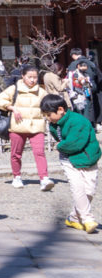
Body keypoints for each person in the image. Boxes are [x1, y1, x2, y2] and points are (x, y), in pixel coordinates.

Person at [39, 94, 100, 234]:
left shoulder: (78, 121)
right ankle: (87, 219)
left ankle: (74, 218)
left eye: (49, 114)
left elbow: (75, 143)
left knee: (89, 190)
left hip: (87, 157)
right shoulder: (54, 124)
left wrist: (60, 146)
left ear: (60, 109)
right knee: (78, 188)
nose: (47, 118)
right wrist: (62, 147)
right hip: (68, 159)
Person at [0, 63, 55, 191]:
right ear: (23, 76)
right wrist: (11, 107)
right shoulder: (14, 89)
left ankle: (44, 178)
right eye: (29, 77)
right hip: (18, 126)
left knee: (40, 152)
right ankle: (16, 177)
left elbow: (47, 107)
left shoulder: (41, 92)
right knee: (16, 154)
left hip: (36, 126)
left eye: (35, 77)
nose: (32, 80)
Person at [67, 47, 100, 126]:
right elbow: (98, 75)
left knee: (81, 107)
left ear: (73, 55)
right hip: (90, 86)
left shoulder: (74, 64)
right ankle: (92, 124)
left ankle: (83, 125)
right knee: (89, 105)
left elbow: (70, 78)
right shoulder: (91, 62)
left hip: (80, 88)